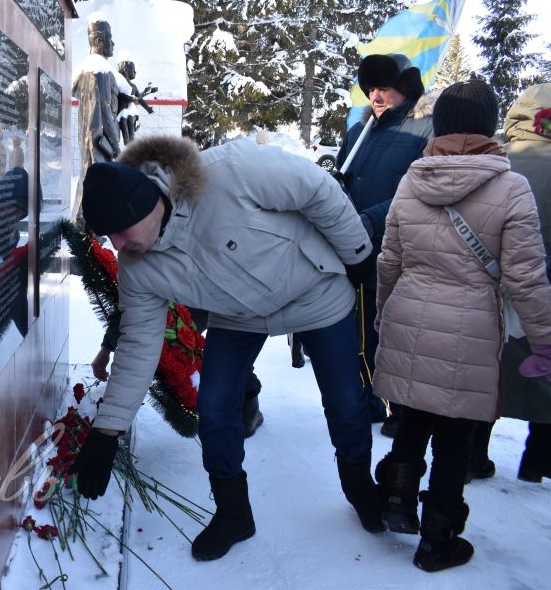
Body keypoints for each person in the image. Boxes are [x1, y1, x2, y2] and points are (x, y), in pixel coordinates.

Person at [70, 134, 383, 562]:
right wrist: (107, 433)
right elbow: (139, 345)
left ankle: (361, 489)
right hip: (238, 316)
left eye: (120, 232)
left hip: (315, 293)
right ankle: (233, 513)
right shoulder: (139, 268)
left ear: (145, 207)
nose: (117, 246)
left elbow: (315, 188)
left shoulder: (231, 171)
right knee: (215, 407)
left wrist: (359, 254)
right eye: (109, 237)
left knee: (347, 403)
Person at [370, 80, 551, 572]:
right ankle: (438, 538)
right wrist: (544, 339)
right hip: (471, 325)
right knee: (455, 434)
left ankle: (397, 502)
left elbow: (391, 259)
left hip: (410, 311)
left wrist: (386, 312)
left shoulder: (412, 178)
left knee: (412, 415)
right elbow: (526, 276)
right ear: (490, 125)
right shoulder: (512, 186)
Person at [335, 53, 435, 434]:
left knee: (400, 334)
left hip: (403, 251)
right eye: (371, 88)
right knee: (359, 334)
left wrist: (369, 219)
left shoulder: (425, 130)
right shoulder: (359, 132)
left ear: (405, 89)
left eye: (386, 88)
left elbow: (420, 190)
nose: (376, 96)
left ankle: (405, 411)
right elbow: (341, 182)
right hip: (356, 251)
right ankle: (369, 400)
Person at [484, 83, 551, 484]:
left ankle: (474, 452)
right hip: (544, 288)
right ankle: (537, 462)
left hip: (495, 289)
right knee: (544, 376)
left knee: (492, 369)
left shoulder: (498, 161)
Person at [93, 306, 265, 438]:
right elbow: (133, 305)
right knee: (173, 341)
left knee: (229, 355)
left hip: (229, 289)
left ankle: (250, 406)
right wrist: (106, 348)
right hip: (185, 289)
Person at [72, 19, 120, 221]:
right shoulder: (98, 72)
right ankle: (86, 232)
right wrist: (115, 144)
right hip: (98, 142)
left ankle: (85, 230)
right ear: (99, 40)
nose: (113, 44)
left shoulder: (88, 70)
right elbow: (104, 111)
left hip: (92, 139)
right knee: (94, 185)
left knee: (89, 181)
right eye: (110, 38)